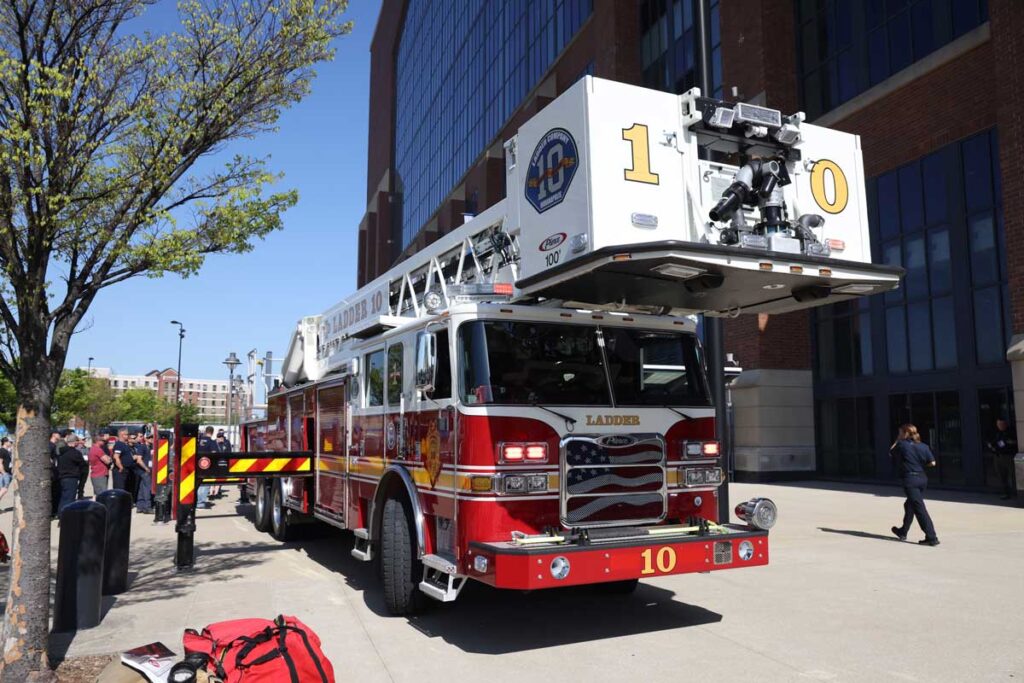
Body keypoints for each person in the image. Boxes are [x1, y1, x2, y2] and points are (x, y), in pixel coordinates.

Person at [890, 423, 940, 546]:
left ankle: (931, 537)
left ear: (905, 433)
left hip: (910, 480)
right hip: (922, 479)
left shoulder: (902, 445)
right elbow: (932, 463)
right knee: (909, 505)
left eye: (900, 432)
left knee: (919, 508)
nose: (899, 434)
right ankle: (903, 531)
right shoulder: (923, 446)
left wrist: (898, 439)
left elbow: (891, 452)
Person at [986, 418, 1018, 500]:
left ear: (1005, 424)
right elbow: (993, 443)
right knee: (1001, 476)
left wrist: (1004, 443)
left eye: (1001, 424)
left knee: (1014, 475)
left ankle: (1017, 493)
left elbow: (1010, 442)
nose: (999, 426)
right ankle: (1005, 493)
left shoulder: (1011, 432)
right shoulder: (996, 433)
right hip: (998, 456)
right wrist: (993, 446)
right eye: (998, 424)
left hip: (1008, 456)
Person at [56, 433, 88, 514]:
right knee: (70, 498)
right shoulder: (75, 453)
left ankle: (61, 514)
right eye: (77, 441)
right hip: (71, 477)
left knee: (63, 497)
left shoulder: (61, 451)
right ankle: (66, 515)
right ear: (74, 442)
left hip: (61, 477)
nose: (78, 443)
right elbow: (83, 464)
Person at [133, 433, 153, 513]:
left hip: (146, 470)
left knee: (142, 488)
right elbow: (139, 460)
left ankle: (140, 506)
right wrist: (146, 468)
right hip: (144, 471)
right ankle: (147, 507)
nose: (151, 438)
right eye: (149, 437)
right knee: (147, 489)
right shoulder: (142, 447)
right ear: (145, 439)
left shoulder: (151, 447)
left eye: (152, 437)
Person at [196, 426, 216, 508]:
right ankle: (201, 502)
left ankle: (197, 501)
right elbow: (214, 453)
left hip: (197, 464)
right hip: (206, 465)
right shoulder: (211, 442)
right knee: (205, 484)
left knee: (198, 483)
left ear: (205, 431)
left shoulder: (199, 440)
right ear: (212, 432)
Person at [0, 437, 12, 507]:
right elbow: (0, 462)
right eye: (10, 442)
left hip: (7, 473)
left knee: (2, 490)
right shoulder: (2, 450)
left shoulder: (6, 451)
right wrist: (3, 473)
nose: (11, 443)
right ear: (5, 442)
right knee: (4, 489)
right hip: (5, 473)